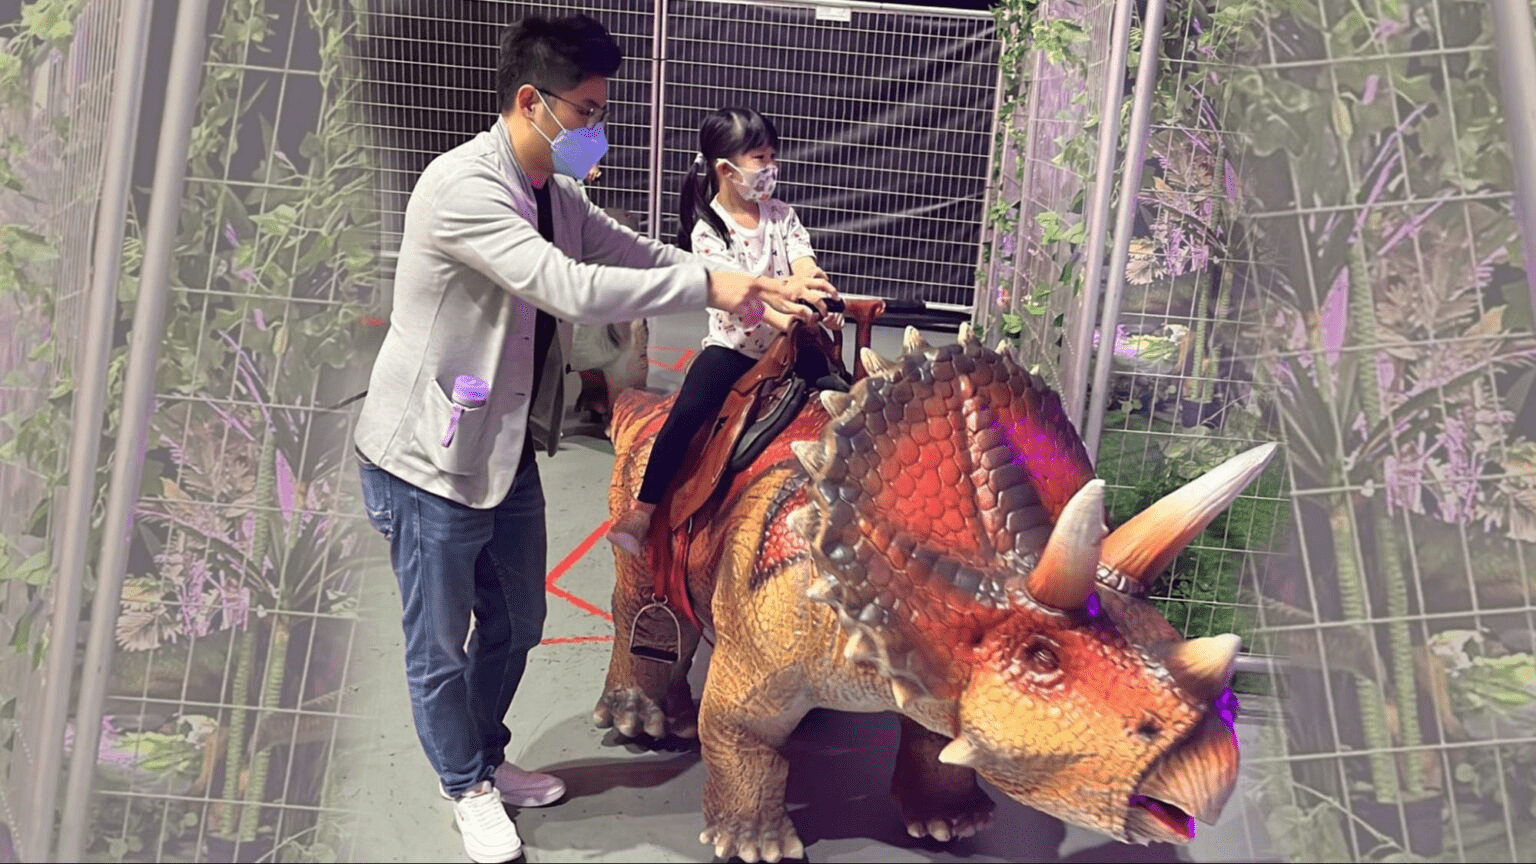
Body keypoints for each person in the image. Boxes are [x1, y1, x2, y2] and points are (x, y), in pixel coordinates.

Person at [351, 16, 834, 864]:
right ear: (531, 102)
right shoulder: (464, 188)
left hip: (502, 446)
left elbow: (637, 255)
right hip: (428, 458)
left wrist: (753, 285)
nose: (596, 129)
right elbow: (567, 287)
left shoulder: (557, 194)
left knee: (518, 620)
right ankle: (463, 784)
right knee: (438, 645)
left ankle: (483, 756)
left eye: (601, 111)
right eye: (587, 111)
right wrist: (715, 285)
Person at [607, 107, 847, 556]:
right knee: (685, 415)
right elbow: (741, 301)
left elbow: (804, 263)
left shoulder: (781, 215)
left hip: (792, 344)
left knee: (842, 398)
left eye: (772, 156)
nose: (770, 167)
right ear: (725, 169)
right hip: (735, 348)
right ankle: (642, 510)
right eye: (760, 158)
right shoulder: (709, 231)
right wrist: (788, 319)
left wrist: (817, 300)